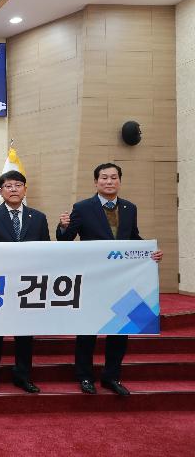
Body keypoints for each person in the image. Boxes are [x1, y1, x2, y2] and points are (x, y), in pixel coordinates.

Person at [57, 162, 163, 396]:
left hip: (122, 281)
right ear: (96, 182)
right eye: (104, 178)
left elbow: (133, 238)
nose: (109, 182)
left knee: (120, 330)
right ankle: (85, 377)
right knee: (88, 330)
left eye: (113, 178)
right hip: (94, 279)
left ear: (119, 181)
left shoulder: (129, 208)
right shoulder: (82, 207)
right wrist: (62, 227)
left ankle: (112, 376)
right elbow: (66, 240)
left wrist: (150, 252)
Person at [0, 170, 49, 394]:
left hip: (28, 284)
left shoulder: (38, 217)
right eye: (8, 186)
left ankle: (23, 376)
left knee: (25, 334)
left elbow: (46, 249)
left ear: (25, 190)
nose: (14, 189)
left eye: (18, 185)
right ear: (1, 191)